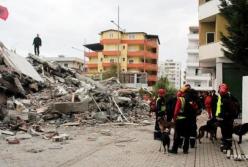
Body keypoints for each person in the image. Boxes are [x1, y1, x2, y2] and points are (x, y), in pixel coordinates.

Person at [216, 83, 238, 152]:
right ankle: (226, 145)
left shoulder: (227, 100)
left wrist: (224, 115)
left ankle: (228, 147)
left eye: (221, 92)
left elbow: (231, 111)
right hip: (224, 120)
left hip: (227, 120)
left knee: (227, 133)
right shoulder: (223, 98)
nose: (220, 93)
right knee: (225, 133)